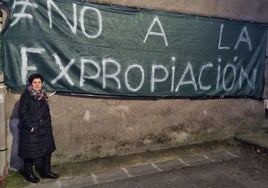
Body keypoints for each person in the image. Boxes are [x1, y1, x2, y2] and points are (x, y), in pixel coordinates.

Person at [18, 73, 59, 183]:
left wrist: (48, 124)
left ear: (42, 84)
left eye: (39, 82)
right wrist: (30, 126)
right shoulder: (26, 96)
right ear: (31, 84)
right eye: (34, 82)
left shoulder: (43, 95)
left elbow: (46, 111)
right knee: (30, 153)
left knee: (47, 150)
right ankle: (29, 173)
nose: (37, 84)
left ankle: (46, 172)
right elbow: (22, 113)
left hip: (44, 128)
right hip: (31, 129)